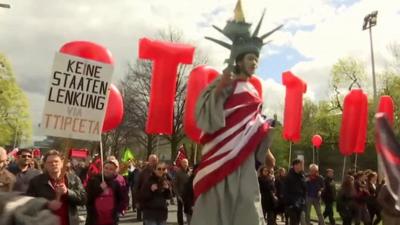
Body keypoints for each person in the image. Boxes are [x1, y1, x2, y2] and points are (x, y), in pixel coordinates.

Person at [190, 2, 281, 224]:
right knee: (218, 208)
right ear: (239, 60)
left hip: (246, 160)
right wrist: (219, 90)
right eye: (250, 58)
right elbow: (205, 113)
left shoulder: (252, 90)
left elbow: (253, 127)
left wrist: (266, 149)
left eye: (256, 59)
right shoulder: (225, 83)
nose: (254, 62)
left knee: (247, 206)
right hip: (222, 156)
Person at [27, 150, 86, 225]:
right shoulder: (36, 181)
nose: (53, 164)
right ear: (45, 165)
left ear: (62, 163)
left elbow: (84, 199)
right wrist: (47, 204)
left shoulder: (73, 179)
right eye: (50, 162)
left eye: (56, 161)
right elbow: (29, 204)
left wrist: (67, 192)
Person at [85, 158, 129, 225]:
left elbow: (123, 198)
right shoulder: (94, 180)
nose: (107, 171)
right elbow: (87, 198)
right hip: (95, 220)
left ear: (114, 171)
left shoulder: (115, 183)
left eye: (111, 169)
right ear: (102, 168)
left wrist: (117, 211)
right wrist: (100, 189)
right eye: (106, 168)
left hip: (110, 221)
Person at [135, 154, 159, 222]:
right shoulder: (143, 172)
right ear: (149, 161)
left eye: (155, 160)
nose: (154, 162)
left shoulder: (161, 170)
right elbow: (137, 187)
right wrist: (137, 201)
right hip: (147, 200)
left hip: (158, 202)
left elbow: (169, 182)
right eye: (152, 160)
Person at [284, 159, 306, 225]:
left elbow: (304, 189)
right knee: (294, 222)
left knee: (297, 222)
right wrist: (290, 203)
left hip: (300, 203)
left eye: (302, 165)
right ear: (295, 166)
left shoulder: (302, 176)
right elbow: (285, 191)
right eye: (300, 165)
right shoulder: (288, 177)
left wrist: (303, 200)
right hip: (291, 204)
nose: (302, 166)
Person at [174, 158, 190, 225]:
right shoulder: (178, 173)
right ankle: (180, 223)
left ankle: (189, 221)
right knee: (180, 210)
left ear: (188, 164)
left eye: (186, 163)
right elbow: (175, 185)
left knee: (189, 209)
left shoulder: (190, 172)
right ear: (181, 164)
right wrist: (178, 195)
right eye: (184, 163)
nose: (185, 164)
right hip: (180, 194)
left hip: (188, 195)